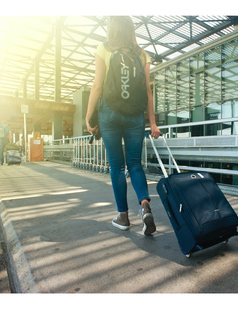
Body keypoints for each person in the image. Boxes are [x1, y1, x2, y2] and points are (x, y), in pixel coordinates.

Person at [86, 16, 161, 236]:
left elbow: (97, 85)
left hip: (109, 114)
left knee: (117, 166)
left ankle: (123, 216)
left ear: (112, 28)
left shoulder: (104, 48)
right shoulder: (142, 54)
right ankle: (145, 206)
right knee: (135, 164)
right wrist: (153, 123)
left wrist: (89, 116)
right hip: (135, 117)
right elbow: (148, 91)